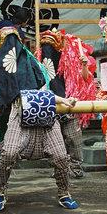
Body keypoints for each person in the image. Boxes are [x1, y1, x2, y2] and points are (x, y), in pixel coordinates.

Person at [0, 25, 79, 212]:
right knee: (8, 153)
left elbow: (45, 92)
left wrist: (65, 101)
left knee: (60, 156)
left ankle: (64, 193)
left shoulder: (33, 63)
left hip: (44, 113)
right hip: (18, 113)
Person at [37, 28, 97, 178]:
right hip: (51, 101)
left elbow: (84, 78)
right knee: (55, 140)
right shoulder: (39, 61)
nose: (47, 50)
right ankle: (59, 168)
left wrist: (83, 65)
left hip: (69, 101)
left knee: (72, 137)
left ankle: (75, 167)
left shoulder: (71, 58)